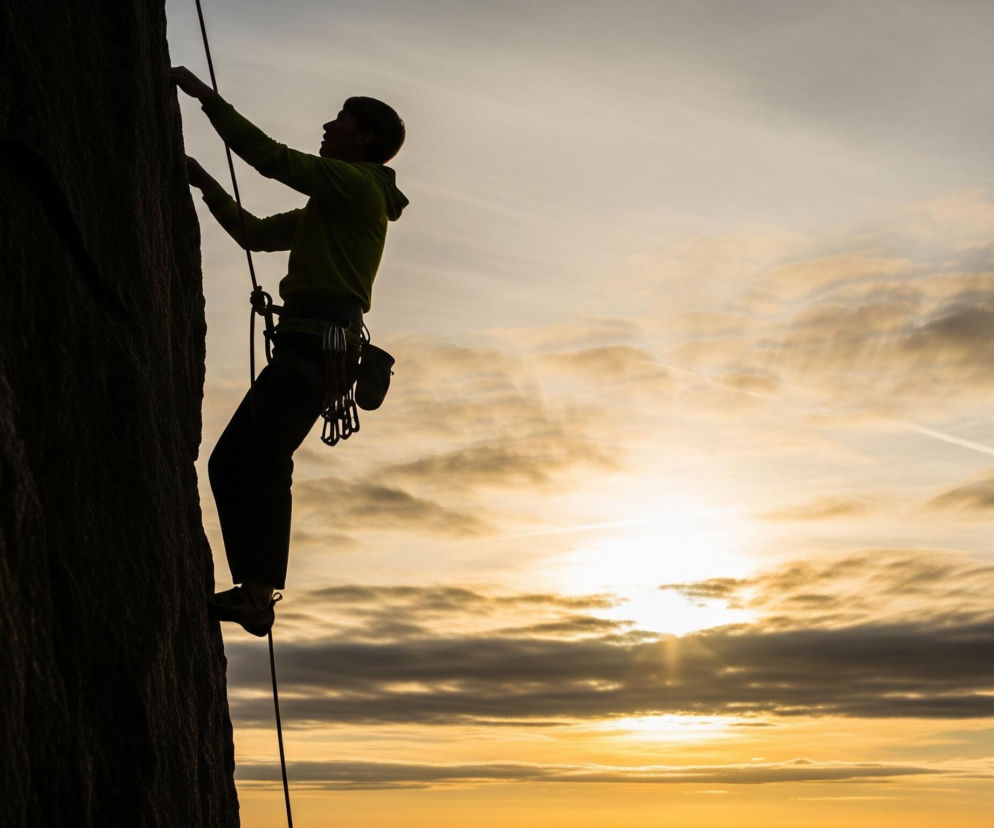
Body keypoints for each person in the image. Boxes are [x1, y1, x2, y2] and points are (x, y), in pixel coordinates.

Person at [171, 66, 409, 636]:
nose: (328, 125)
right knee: (235, 461)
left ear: (363, 139)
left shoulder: (355, 185)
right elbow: (254, 233)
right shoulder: (333, 206)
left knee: (264, 458)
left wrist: (207, 99)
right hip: (312, 347)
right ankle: (253, 588)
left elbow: (275, 159)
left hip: (317, 347)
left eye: (341, 120)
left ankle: (257, 593)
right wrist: (205, 183)